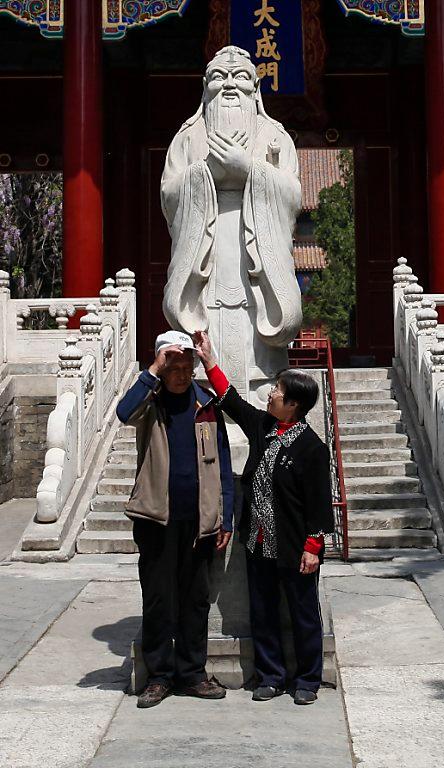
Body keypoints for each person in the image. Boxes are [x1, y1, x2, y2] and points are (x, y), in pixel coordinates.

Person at [192, 330, 335, 705]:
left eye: (277, 391)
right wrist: (208, 359)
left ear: (293, 404)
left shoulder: (311, 448)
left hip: (295, 546)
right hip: (257, 541)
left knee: (303, 613)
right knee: (263, 610)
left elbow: (320, 503)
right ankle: (271, 675)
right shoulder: (263, 428)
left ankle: (307, 679)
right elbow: (231, 400)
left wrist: (313, 546)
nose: (270, 393)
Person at [160, 45, 303, 402]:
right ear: (204, 86)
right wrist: (206, 171)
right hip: (205, 254)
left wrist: (250, 169)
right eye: (218, 77)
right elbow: (169, 195)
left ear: (255, 88)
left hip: (259, 258)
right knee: (208, 331)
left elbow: (292, 196)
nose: (228, 86)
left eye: (239, 77)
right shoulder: (187, 137)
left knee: (259, 354)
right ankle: (208, 399)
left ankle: (260, 396)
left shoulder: (275, 135)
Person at [115, 330, 235, 709]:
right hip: (156, 519)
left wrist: (226, 516)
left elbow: (224, 461)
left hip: (200, 521)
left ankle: (192, 673)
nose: (182, 375)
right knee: (158, 599)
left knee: (195, 600)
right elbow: (123, 412)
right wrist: (153, 369)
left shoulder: (206, 404)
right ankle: (159, 676)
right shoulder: (150, 402)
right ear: (163, 368)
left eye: (187, 367)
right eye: (174, 368)